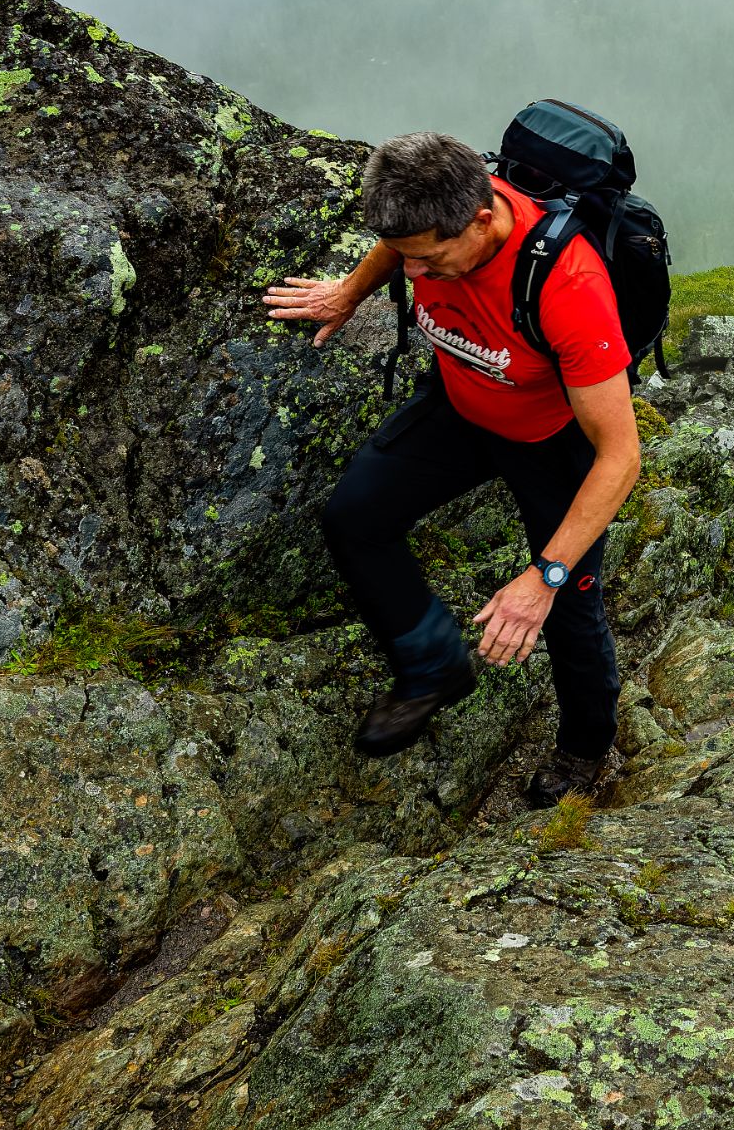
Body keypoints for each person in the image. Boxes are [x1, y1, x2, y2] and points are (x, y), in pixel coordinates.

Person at [261, 131, 640, 808]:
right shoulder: (435, 218)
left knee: (567, 611)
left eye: (430, 261)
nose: (414, 276)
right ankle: (434, 666)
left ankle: (585, 749)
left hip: (553, 439)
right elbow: (402, 243)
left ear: (483, 219)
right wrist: (348, 293)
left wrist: (543, 576)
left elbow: (621, 456)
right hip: (462, 402)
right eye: (405, 259)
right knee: (355, 518)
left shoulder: (569, 286)